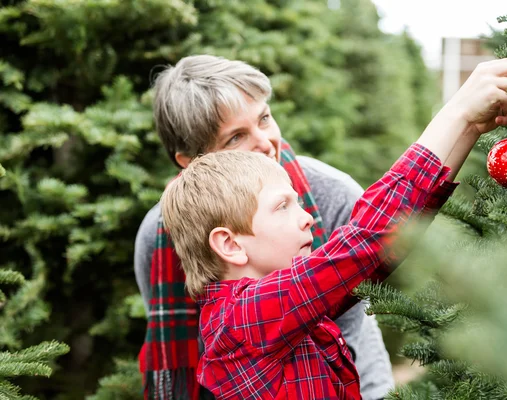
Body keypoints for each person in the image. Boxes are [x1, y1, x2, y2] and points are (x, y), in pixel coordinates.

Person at [157, 57, 507, 399]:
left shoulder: (281, 309)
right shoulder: (244, 319)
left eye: (263, 118)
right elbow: (362, 243)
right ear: (230, 244)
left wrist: (471, 128)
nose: (306, 215)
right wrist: (455, 112)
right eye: (282, 207)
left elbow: (380, 253)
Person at [135, 55, 393, 400]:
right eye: (235, 138)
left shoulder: (333, 195)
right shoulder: (158, 234)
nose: (265, 142)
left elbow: (342, 331)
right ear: (191, 160)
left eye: (264, 118)